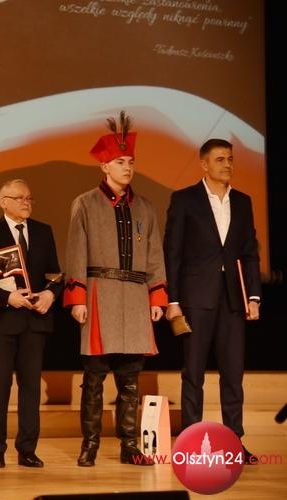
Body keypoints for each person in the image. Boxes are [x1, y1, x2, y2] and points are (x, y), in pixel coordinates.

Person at [63, 111, 168, 467]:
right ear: (104, 166)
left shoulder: (146, 208)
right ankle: (90, 444)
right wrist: (77, 298)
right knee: (94, 379)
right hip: (99, 295)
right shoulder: (85, 203)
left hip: (135, 298)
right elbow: (76, 252)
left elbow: (154, 254)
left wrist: (157, 296)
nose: (127, 168)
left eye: (131, 162)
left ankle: (130, 445)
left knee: (130, 380)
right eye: (120, 162)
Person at [163, 138, 261, 464]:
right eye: (220, 159)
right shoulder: (184, 199)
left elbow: (250, 253)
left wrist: (253, 297)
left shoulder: (243, 201)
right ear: (204, 164)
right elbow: (172, 253)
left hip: (233, 299)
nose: (227, 164)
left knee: (233, 374)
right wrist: (173, 300)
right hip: (195, 298)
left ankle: (235, 441)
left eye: (230, 158)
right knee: (194, 373)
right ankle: (191, 442)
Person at [0, 179, 63, 468]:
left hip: (34, 322)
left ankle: (27, 449)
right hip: (1, 323)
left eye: (29, 198)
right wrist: (7, 297)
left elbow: (55, 274)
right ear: (3, 202)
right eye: (19, 198)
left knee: (31, 388)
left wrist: (50, 294)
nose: (25, 202)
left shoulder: (43, 231)